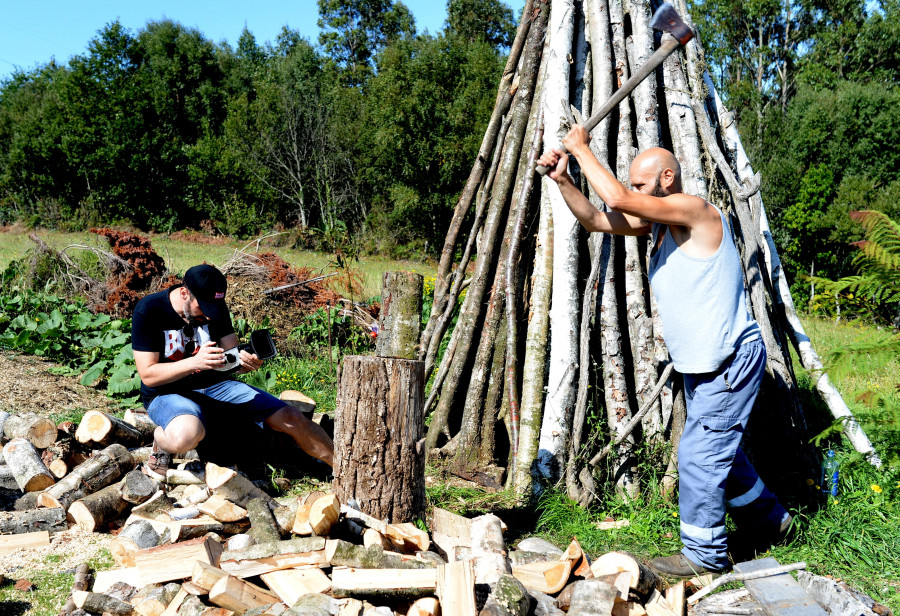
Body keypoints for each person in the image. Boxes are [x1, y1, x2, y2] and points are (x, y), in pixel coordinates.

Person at [537, 126, 790, 577]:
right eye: (633, 184)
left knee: (698, 456)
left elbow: (616, 200)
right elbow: (598, 219)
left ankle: (704, 558)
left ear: (666, 179)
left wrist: (580, 148)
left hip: (729, 359)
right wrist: (563, 180)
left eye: (641, 183)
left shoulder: (696, 212)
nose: (634, 190)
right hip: (704, 365)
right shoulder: (658, 225)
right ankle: (772, 523)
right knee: (720, 455)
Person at [131, 264, 334, 480]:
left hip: (215, 385)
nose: (210, 316)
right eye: (204, 308)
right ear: (184, 293)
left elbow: (230, 352)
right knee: (186, 435)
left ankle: (343, 468)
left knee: (291, 416)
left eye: (214, 309)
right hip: (166, 393)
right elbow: (148, 374)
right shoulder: (150, 310)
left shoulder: (214, 307)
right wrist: (194, 362)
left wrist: (242, 362)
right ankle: (161, 439)